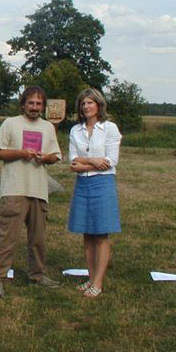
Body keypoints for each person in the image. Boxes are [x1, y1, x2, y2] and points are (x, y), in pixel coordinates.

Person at [0, 85, 62, 298]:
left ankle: (37, 276)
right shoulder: (10, 123)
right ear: (23, 104)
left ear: (43, 106)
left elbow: (55, 156)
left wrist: (45, 158)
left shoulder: (48, 127)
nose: (35, 107)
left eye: (39, 103)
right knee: (7, 238)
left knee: (38, 239)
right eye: (31, 103)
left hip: (38, 191)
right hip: (14, 189)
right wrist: (21, 153)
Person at [67, 88, 122, 299]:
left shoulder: (109, 128)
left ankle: (98, 283)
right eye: (83, 103)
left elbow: (110, 161)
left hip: (103, 184)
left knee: (101, 234)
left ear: (99, 105)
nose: (86, 106)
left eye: (90, 102)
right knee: (87, 234)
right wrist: (93, 161)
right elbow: (73, 161)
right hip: (82, 185)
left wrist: (84, 165)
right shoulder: (75, 130)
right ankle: (90, 278)